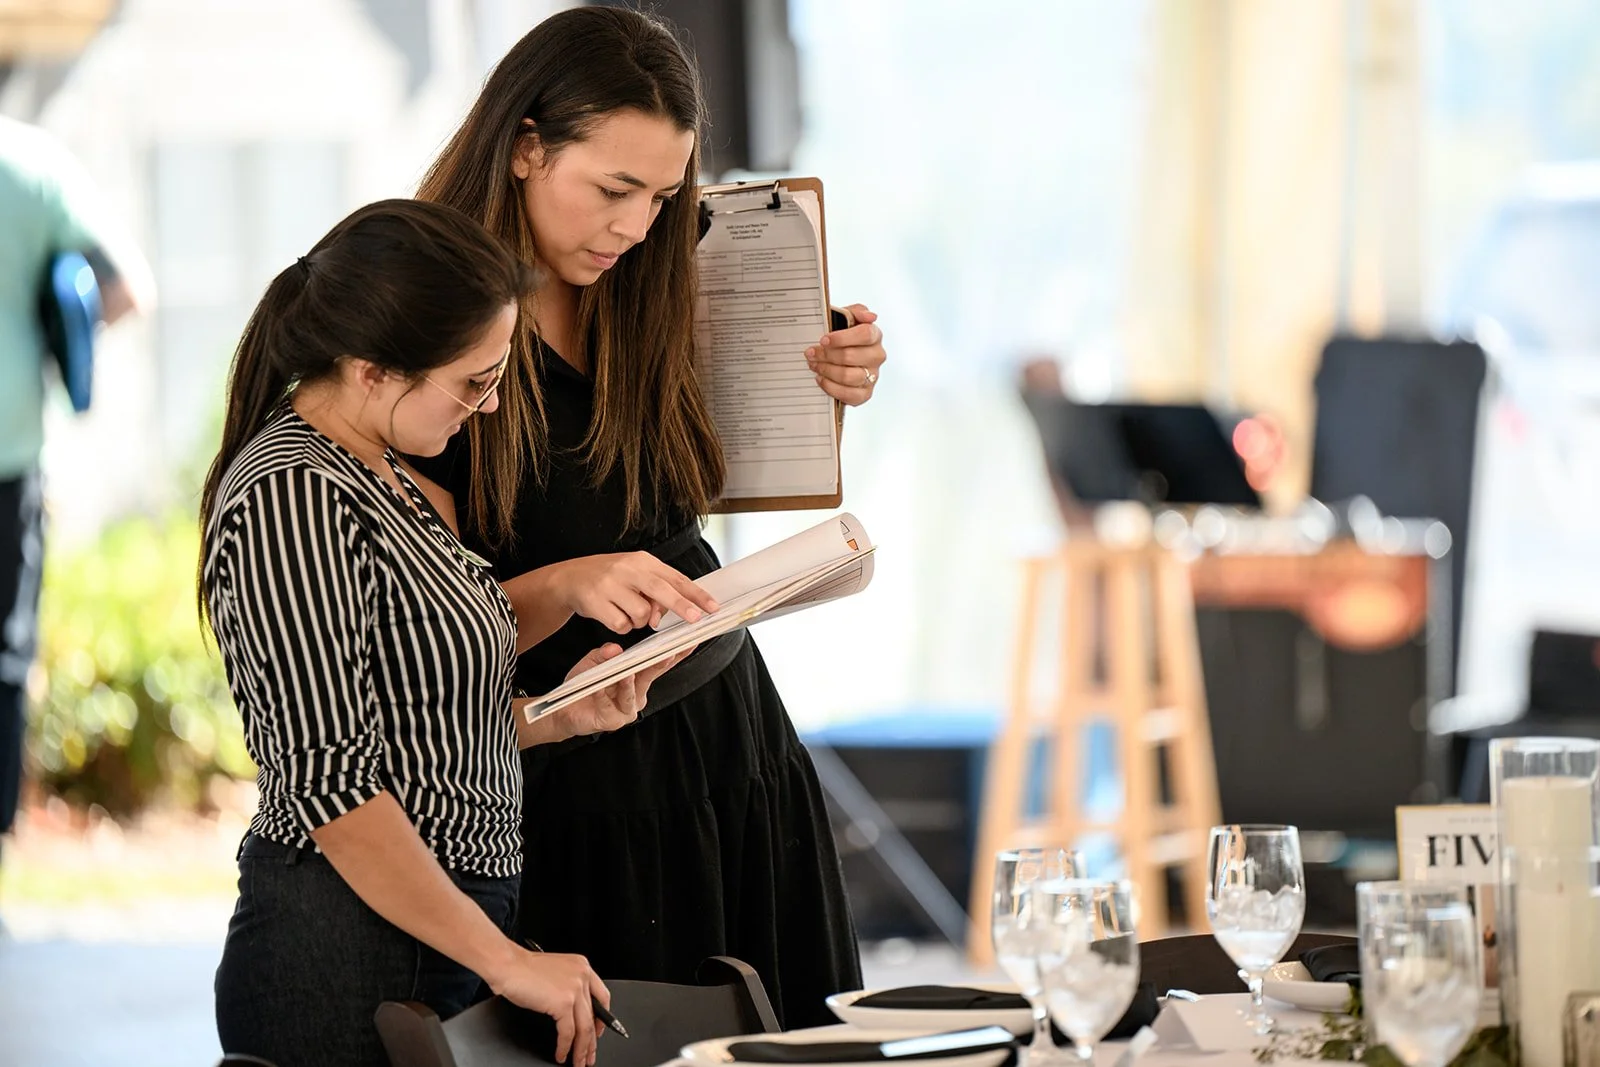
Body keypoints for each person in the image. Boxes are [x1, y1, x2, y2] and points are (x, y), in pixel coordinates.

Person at [409, 6, 888, 1027]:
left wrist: (824, 377)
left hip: (730, 745)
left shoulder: (656, 272)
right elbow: (407, 629)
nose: (633, 226)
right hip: (565, 784)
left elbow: (698, 478)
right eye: (614, 190)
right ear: (525, 146)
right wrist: (566, 584)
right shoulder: (422, 324)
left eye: (662, 195)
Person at [201, 199, 687, 1067]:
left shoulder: (380, 472)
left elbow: (418, 723)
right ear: (371, 370)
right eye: (473, 381)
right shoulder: (292, 495)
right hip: (345, 945)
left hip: (439, 927)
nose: (491, 404)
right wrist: (503, 960)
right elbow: (335, 790)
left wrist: (554, 714)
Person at [0, 115, 154, 908]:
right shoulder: (32, 166)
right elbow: (129, 289)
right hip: (10, 455)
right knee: (4, 660)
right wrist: (58, 340)